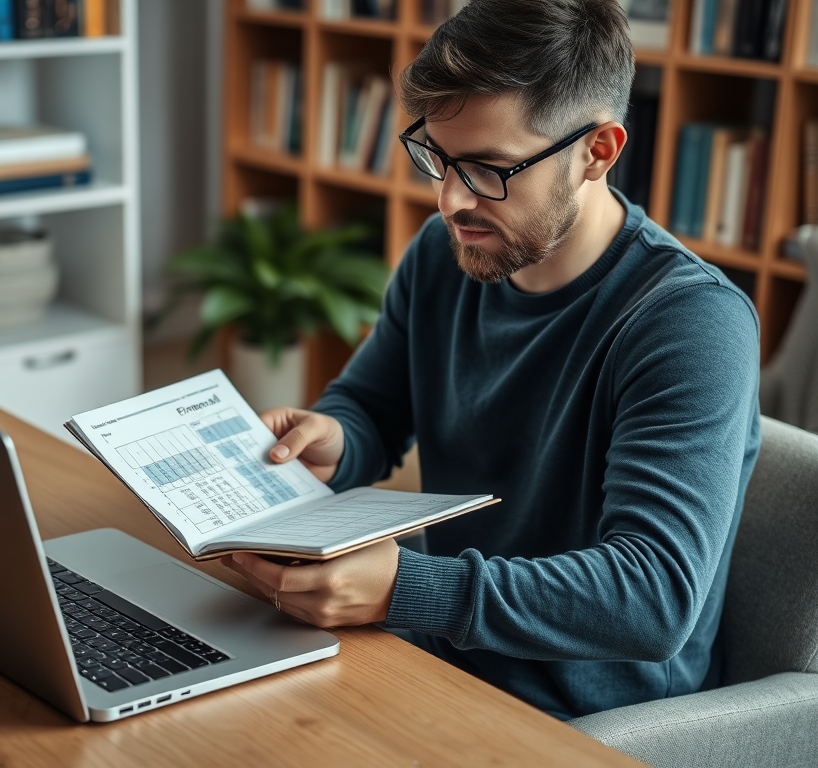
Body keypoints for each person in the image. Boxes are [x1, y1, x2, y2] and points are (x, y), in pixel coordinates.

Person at [222, 0, 761, 721]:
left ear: (597, 151)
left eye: (487, 169)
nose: (450, 200)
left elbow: (652, 598)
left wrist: (403, 589)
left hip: (591, 715)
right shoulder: (451, 254)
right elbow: (375, 407)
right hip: (442, 653)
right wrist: (336, 439)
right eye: (438, 159)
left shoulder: (690, 323)